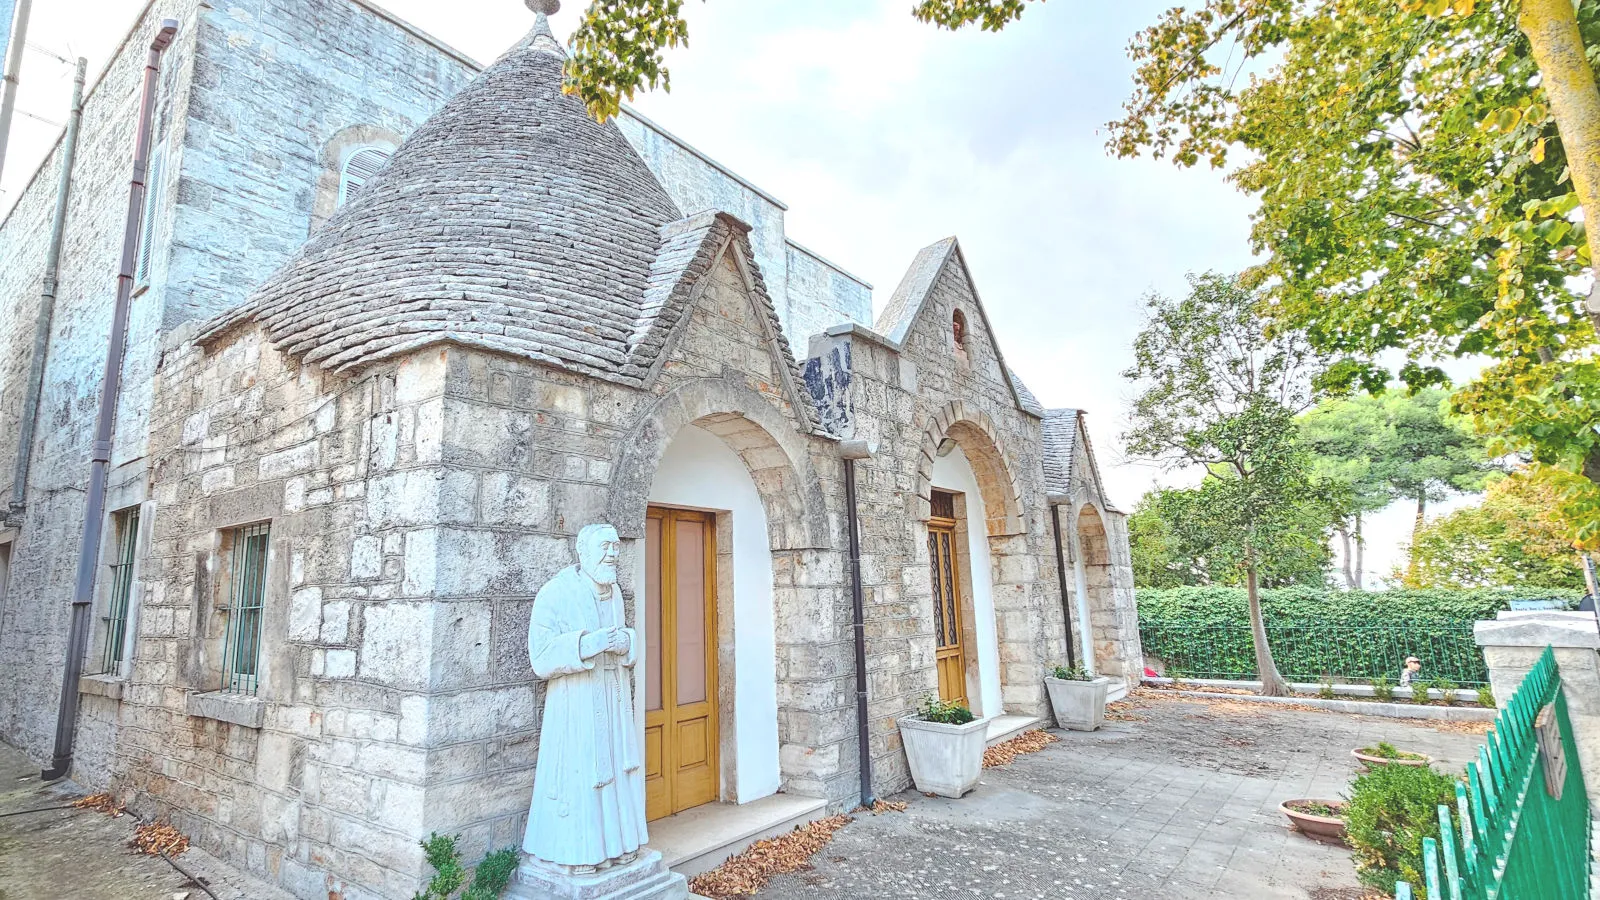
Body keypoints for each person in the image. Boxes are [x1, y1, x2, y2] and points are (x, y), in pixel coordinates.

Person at [522, 523, 647, 871]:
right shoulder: (556, 593)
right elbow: (540, 655)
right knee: (582, 775)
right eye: (605, 548)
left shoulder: (615, 592)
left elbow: (624, 640)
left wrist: (627, 643)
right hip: (576, 704)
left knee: (616, 773)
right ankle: (578, 856)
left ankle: (619, 848)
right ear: (584, 552)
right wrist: (584, 645)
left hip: (612, 699)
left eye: (616, 549)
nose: (612, 554)